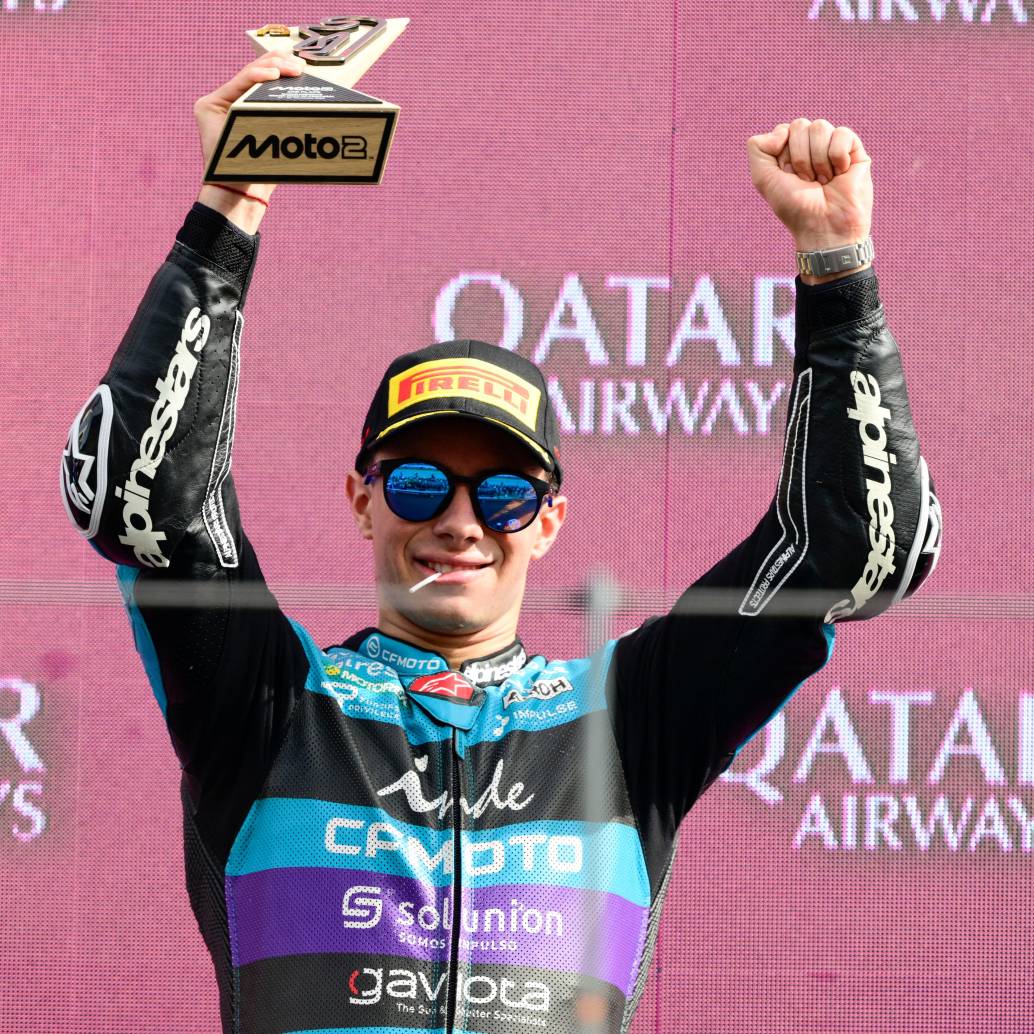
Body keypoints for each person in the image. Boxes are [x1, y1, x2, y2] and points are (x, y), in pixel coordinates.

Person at [60, 51, 941, 1034]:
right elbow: (142, 499)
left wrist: (834, 264)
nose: (459, 520)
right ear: (362, 498)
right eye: (420, 481)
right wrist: (231, 198)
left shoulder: (627, 720)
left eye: (506, 494)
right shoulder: (272, 704)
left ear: (550, 520)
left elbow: (858, 551)